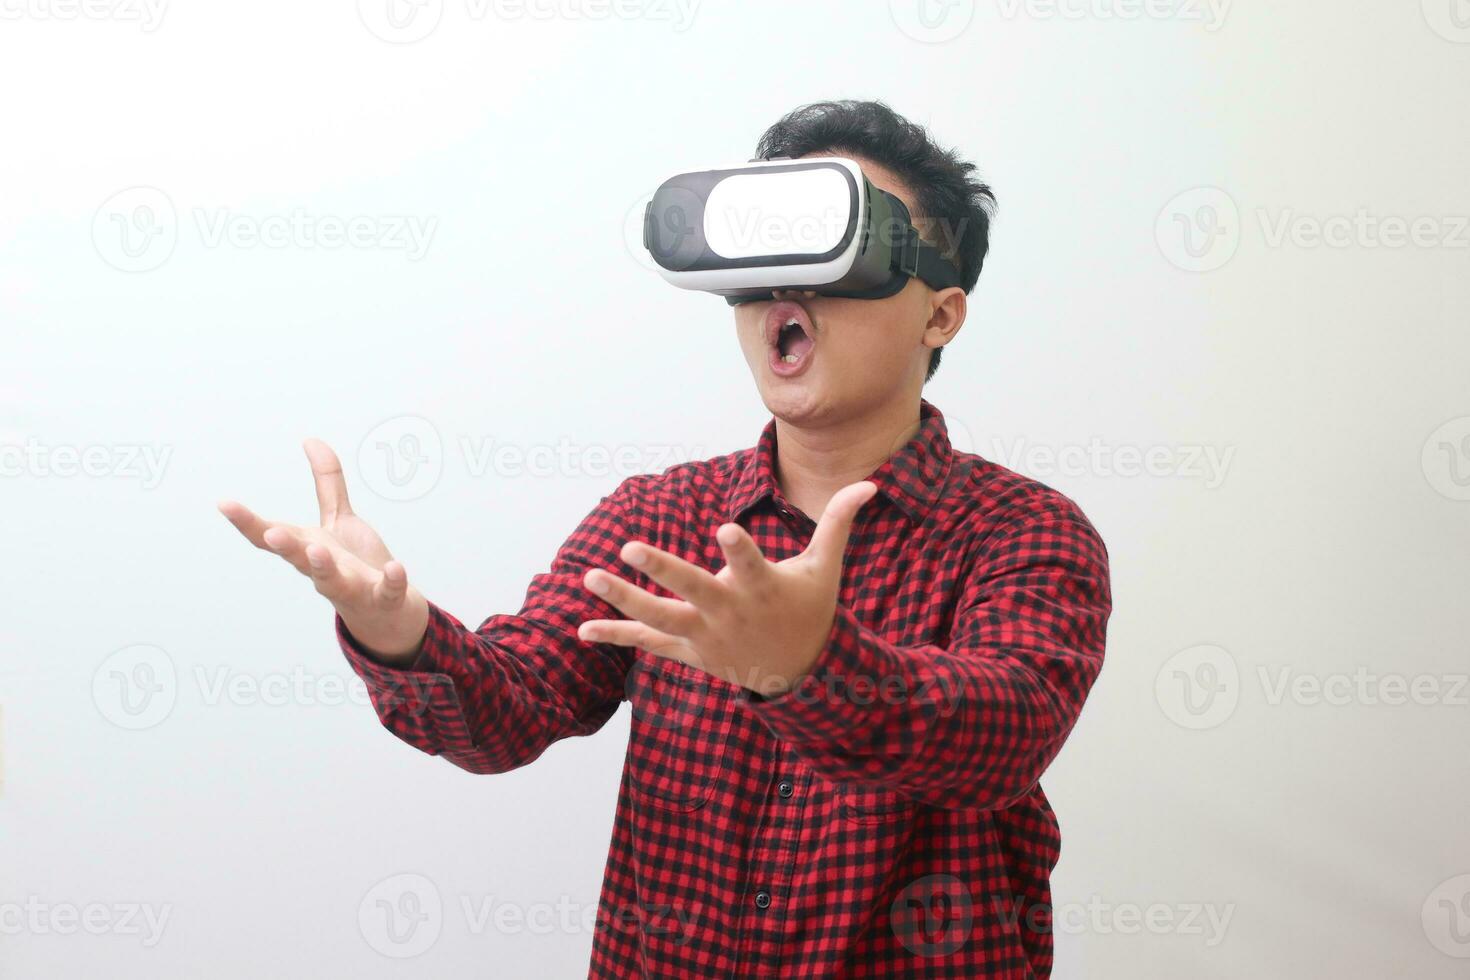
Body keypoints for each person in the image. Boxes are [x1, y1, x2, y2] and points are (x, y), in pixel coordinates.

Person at [220, 99, 1112, 978]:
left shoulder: (1025, 533)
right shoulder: (661, 517)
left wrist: (809, 664)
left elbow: (1003, 734)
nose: (785, 295)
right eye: (763, 262)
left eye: (831, 257)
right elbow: (512, 711)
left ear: (941, 315)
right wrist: (399, 633)